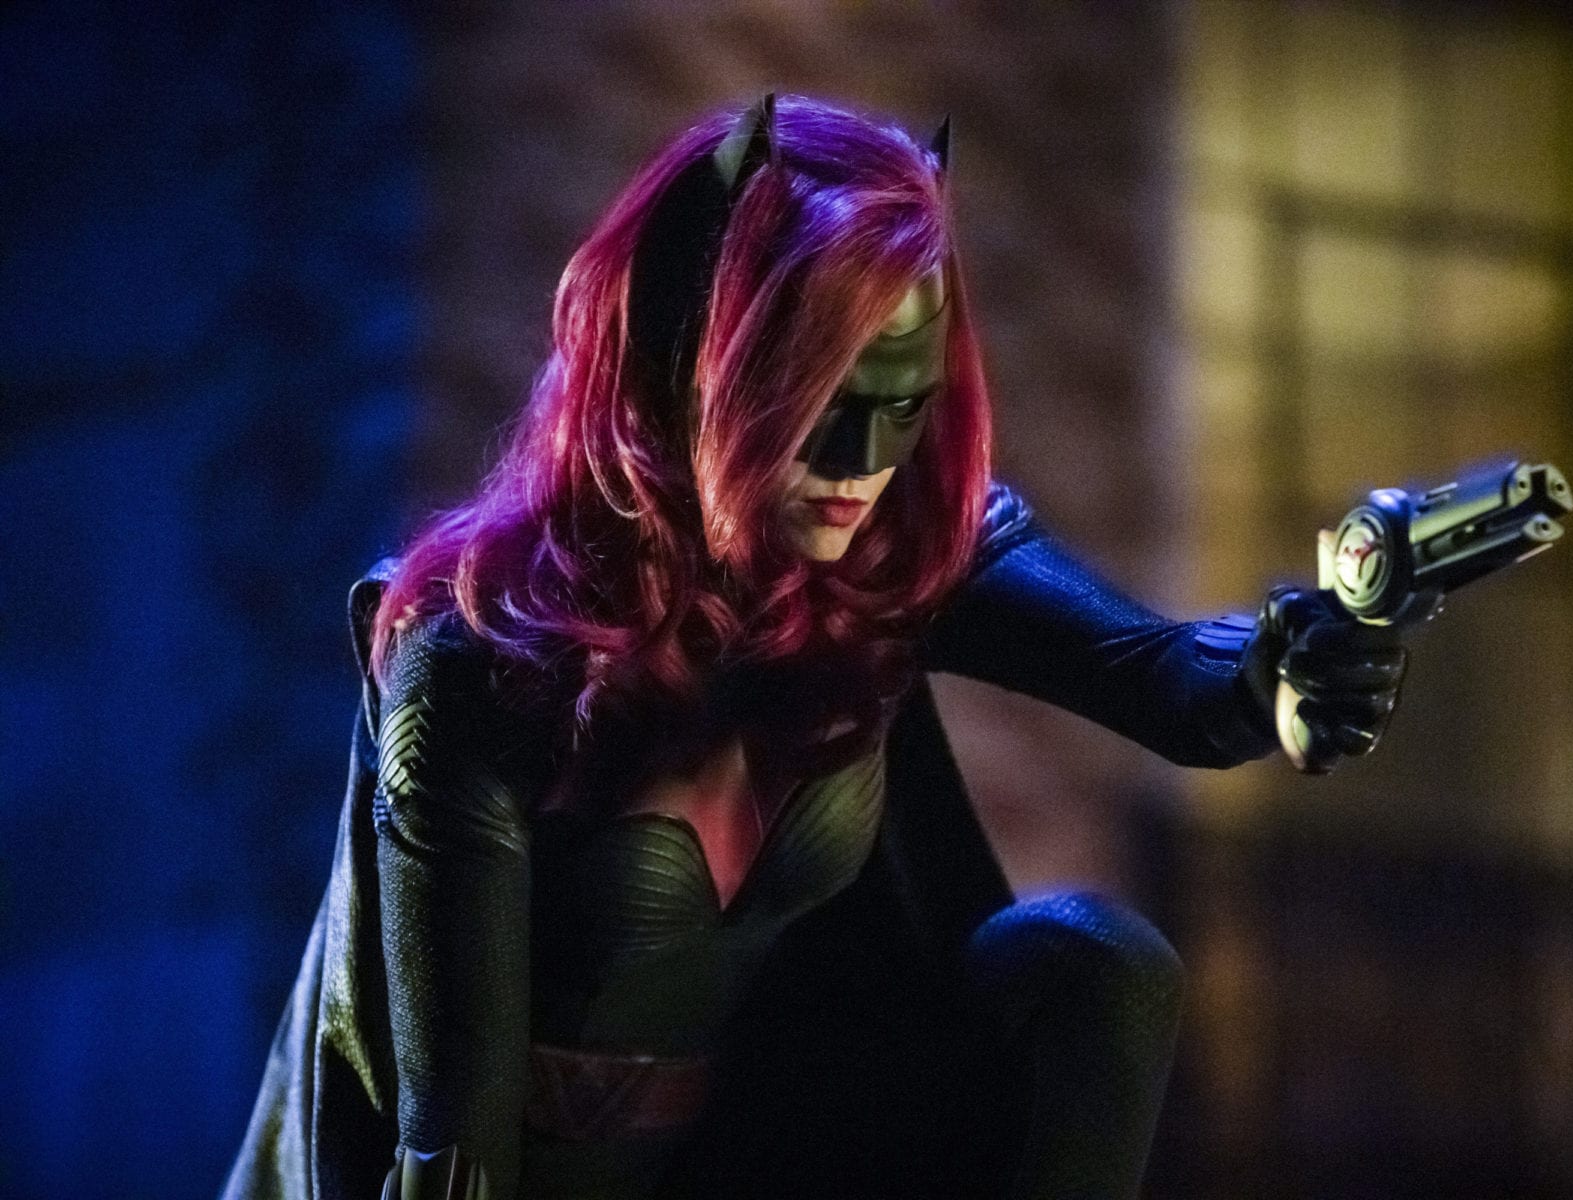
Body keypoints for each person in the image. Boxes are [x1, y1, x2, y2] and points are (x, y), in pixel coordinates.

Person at [222, 95, 1408, 1200]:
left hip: (767, 1155)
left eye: (901, 407)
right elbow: (450, 1134)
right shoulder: (479, 649)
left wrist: (1290, 668)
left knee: (1096, 967)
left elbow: (1170, 683)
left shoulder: (896, 557)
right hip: (534, 1176)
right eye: (819, 400)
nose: (861, 465)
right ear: (695, 367)